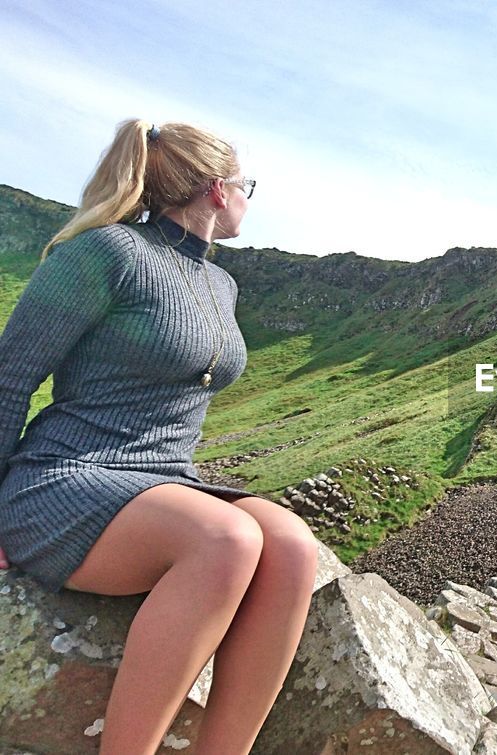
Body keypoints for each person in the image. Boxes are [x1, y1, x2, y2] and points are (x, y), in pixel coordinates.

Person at [0, 119, 319, 755]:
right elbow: (9, 379)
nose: (249, 199)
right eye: (246, 184)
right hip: (66, 477)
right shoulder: (104, 253)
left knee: (290, 546)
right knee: (226, 539)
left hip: (164, 481)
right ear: (217, 189)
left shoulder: (220, 284)